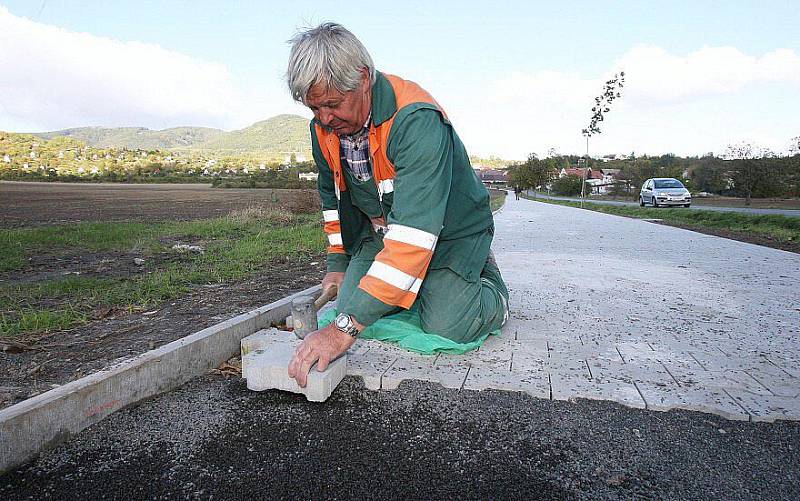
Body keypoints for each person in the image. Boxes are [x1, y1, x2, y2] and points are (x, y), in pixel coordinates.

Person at [286, 23, 509, 387]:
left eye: (332, 104)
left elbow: (415, 235)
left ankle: (488, 279)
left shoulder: (416, 121)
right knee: (350, 306)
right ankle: (415, 284)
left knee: (449, 326)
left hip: (449, 233)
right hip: (384, 230)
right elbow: (333, 198)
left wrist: (342, 331)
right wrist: (338, 262)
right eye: (314, 107)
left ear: (362, 79)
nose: (324, 118)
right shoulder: (323, 128)